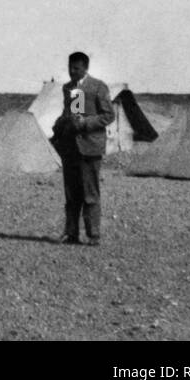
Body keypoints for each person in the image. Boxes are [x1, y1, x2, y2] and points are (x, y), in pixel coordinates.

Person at [50, 51, 113, 246]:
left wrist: (86, 123)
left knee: (90, 193)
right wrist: (59, 125)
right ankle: (71, 233)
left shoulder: (98, 87)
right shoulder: (68, 88)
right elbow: (70, 112)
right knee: (71, 193)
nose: (72, 71)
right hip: (70, 148)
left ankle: (93, 234)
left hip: (90, 147)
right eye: (70, 67)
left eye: (76, 68)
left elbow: (108, 115)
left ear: (85, 68)